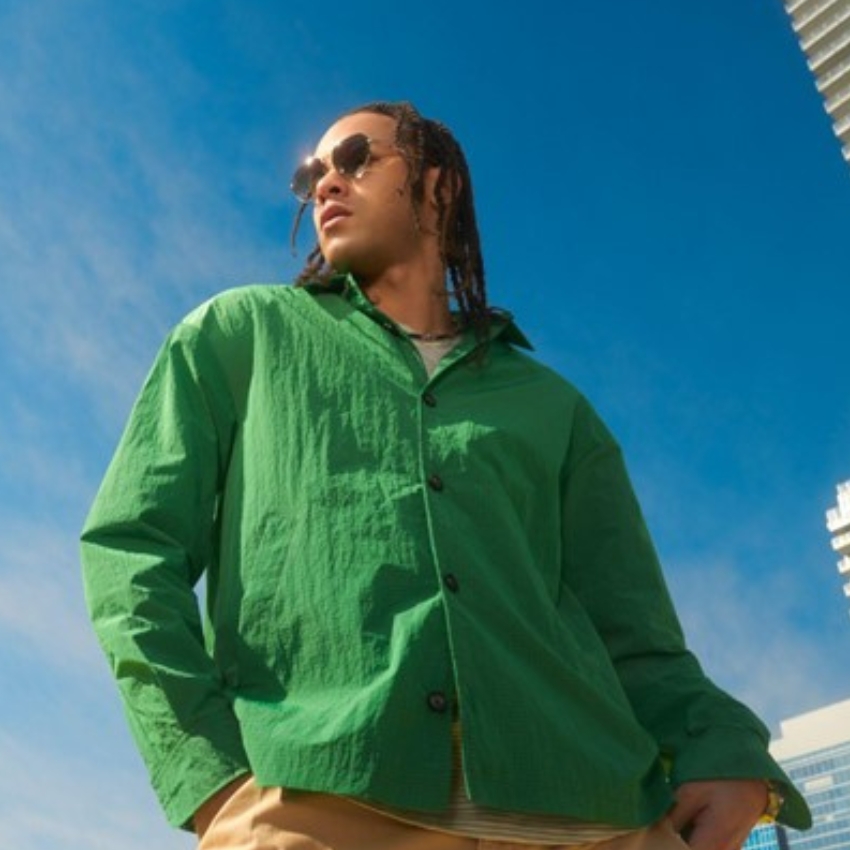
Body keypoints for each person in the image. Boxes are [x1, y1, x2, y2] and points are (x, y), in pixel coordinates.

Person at [81, 101, 810, 850]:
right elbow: (131, 551)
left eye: (356, 158)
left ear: (439, 186)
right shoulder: (237, 335)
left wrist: (722, 750)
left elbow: (635, 634)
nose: (325, 183)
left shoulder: (554, 407)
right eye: (311, 175)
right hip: (317, 802)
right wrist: (206, 773)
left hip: (601, 816)